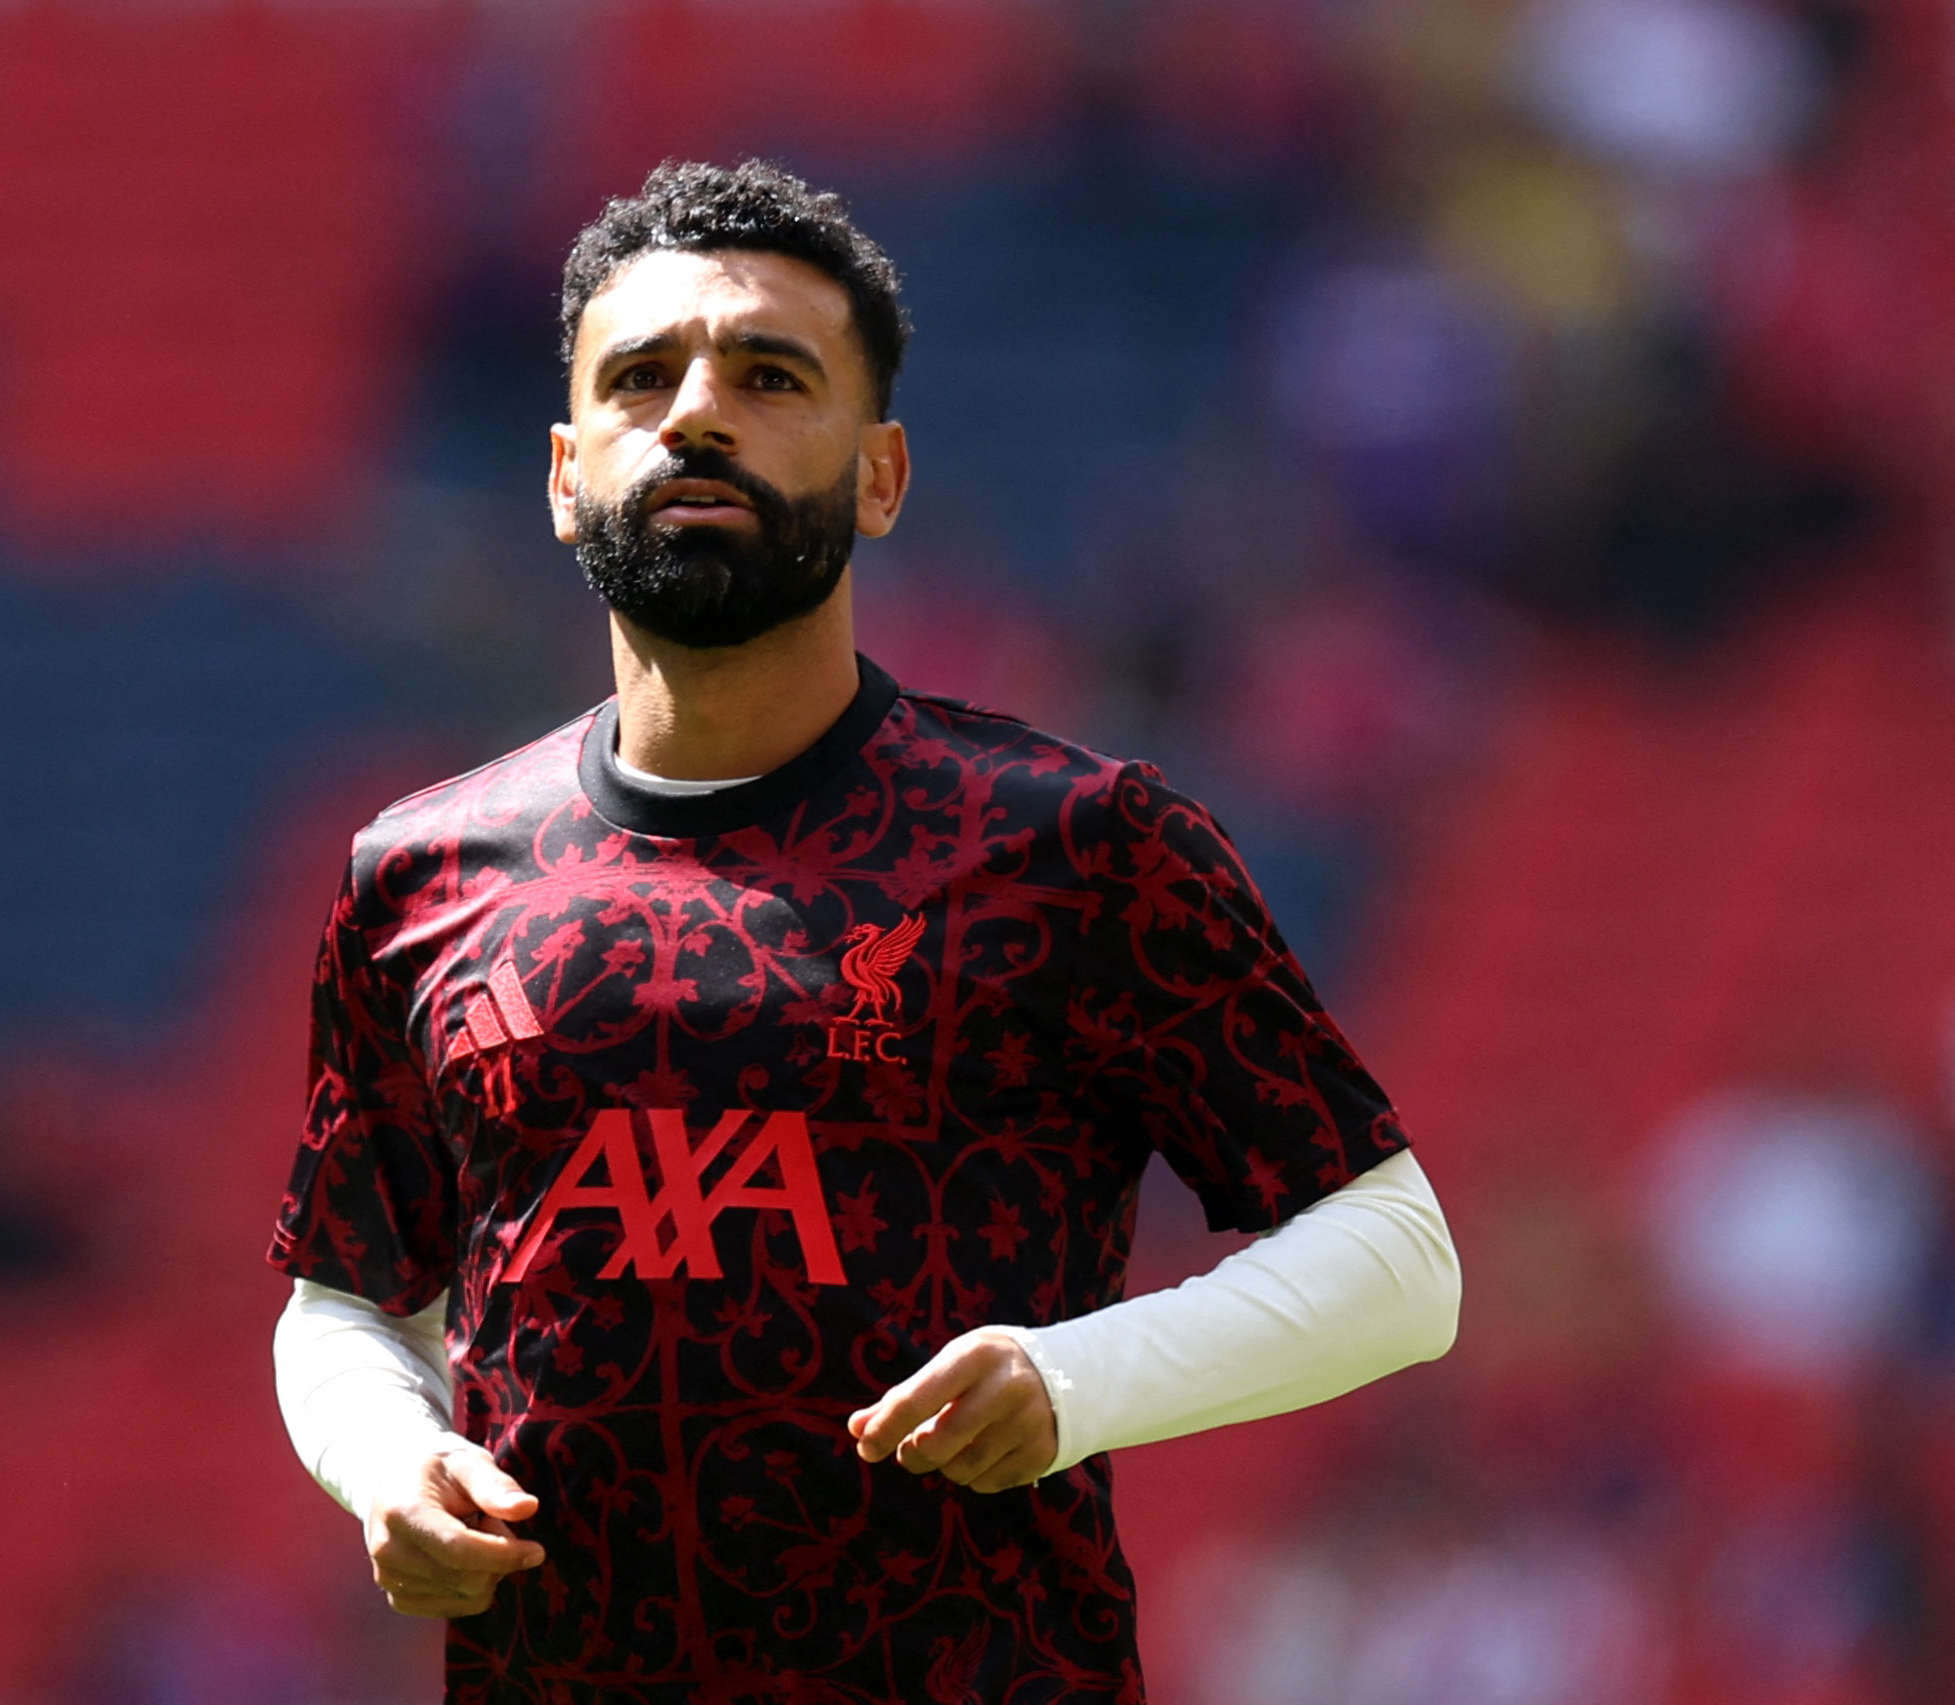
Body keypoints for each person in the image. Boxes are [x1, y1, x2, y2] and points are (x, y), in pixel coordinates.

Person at [269, 159, 1460, 1703]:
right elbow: (343, 1295)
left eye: (770, 375)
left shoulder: (1076, 843)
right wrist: (392, 1462)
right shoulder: (419, 875)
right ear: (564, 472)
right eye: (641, 377)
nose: (697, 414)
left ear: (881, 474)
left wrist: (1070, 1379)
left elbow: (1396, 1257)